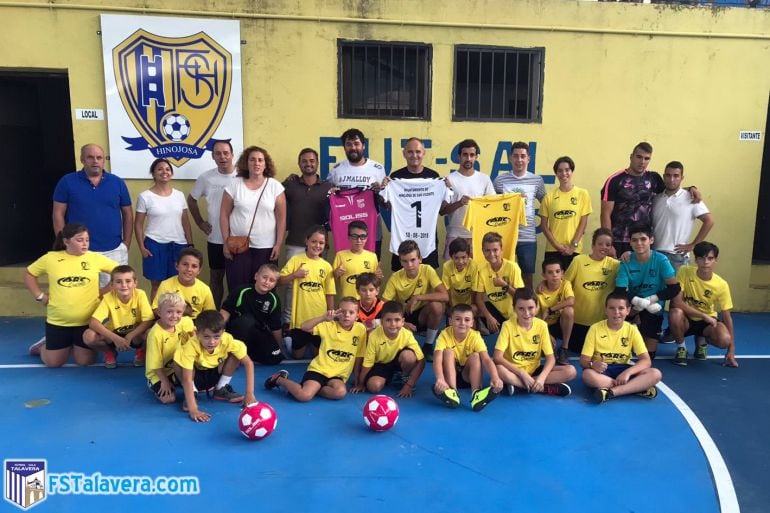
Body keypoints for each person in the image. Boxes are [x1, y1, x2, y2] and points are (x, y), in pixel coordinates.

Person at [24, 224, 117, 367]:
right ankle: (44, 345)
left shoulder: (95, 258)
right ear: (66, 241)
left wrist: (103, 292)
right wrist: (40, 296)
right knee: (54, 363)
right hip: (58, 322)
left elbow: (120, 272)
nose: (85, 243)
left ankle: (73, 345)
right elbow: (29, 274)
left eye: (87, 239)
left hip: (86, 322)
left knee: (85, 361)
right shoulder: (51, 258)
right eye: (80, 240)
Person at [600, 142, 700, 258]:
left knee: (643, 276)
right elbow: (605, 214)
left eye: (646, 158)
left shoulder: (654, 179)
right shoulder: (614, 180)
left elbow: (671, 189)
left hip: (644, 242)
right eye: (639, 157)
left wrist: (691, 189)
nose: (642, 162)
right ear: (631, 157)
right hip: (619, 241)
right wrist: (608, 243)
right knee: (619, 275)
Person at [52, 143, 132, 288]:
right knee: (83, 294)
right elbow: (58, 213)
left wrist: (125, 243)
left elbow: (127, 213)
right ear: (82, 159)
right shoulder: (67, 182)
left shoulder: (117, 183)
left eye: (99, 157)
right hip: (79, 252)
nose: (95, 161)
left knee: (115, 294)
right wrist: (64, 243)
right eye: (90, 157)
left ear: (103, 160)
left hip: (113, 250)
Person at [264, 297, 367, 402]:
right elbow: (304, 327)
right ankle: (279, 379)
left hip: (337, 376)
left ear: (357, 316)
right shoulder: (329, 326)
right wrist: (323, 318)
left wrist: (358, 381)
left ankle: (313, 388)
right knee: (304, 396)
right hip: (319, 370)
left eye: (351, 312)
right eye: (343, 311)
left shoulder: (360, 329)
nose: (347, 315)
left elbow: (359, 355)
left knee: (340, 393)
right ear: (337, 312)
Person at [220, 146, 287, 291]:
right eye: (252, 160)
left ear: (265, 164)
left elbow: (281, 218)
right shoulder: (234, 185)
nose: (256, 163)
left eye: (260, 160)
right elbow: (224, 215)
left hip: (266, 247)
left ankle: (262, 315)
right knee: (238, 287)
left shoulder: (275, 187)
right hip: (238, 246)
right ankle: (238, 314)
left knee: (264, 288)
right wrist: (225, 242)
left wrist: (278, 244)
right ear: (246, 163)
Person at [174, 310, 256, 422]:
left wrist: (249, 394)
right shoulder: (191, 346)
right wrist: (193, 410)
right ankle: (192, 393)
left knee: (236, 354)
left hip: (213, 375)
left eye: (217, 337)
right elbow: (187, 379)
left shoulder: (228, 340)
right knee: (178, 360)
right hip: (194, 379)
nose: (212, 342)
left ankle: (221, 388)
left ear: (223, 333)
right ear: (197, 333)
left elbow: (248, 363)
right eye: (206, 337)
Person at [580, 292, 662, 404]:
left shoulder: (632, 329)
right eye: (612, 308)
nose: (616, 312)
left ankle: (611, 392)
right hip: (603, 371)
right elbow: (584, 360)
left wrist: (627, 373)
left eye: (621, 308)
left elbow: (646, 360)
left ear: (628, 310)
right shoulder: (595, 328)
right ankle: (635, 388)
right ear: (606, 310)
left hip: (623, 369)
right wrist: (592, 364)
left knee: (655, 373)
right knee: (587, 375)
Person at [282, 148, 333, 325]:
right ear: (299, 163)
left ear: (317, 163)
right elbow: (272, 197)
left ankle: (319, 323)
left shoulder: (328, 187)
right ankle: (288, 322)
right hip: (295, 242)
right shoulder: (290, 185)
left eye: (312, 161)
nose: (308, 164)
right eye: (304, 161)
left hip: (319, 245)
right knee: (291, 285)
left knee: (318, 286)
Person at [494, 288, 576, 397]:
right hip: (514, 370)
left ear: (537, 307)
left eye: (530, 308)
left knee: (571, 371)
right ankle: (544, 389)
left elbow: (550, 358)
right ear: (514, 309)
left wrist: (541, 378)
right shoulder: (507, 325)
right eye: (521, 309)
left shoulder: (542, 325)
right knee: (499, 369)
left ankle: (520, 386)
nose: (527, 313)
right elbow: (497, 357)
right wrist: (521, 373)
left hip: (535, 370)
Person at [615, 224, 680, 360]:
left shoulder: (661, 260)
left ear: (651, 240)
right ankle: (631, 324)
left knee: (649, 355)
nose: (639, 243)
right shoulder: (626, 261)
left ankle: (638, 327)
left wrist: (649, 300)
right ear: (630, 243)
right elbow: (620, 291)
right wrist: (638, 304)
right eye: (634, 240)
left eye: (643, 239)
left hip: (653, 307)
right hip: (632, 306)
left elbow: (674, 288)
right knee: (615, 304)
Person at [668, 241, 738, 368]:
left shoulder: (721, 285)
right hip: (687, 319)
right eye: (702, 258)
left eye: (710, 258)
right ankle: (681, 348)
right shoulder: (684, 271)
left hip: (707, 322)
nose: (706, 262)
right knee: (675, 312)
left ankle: (702, 340)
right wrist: (703, 315)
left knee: (724, 340)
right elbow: (677, 302)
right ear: (696, 260)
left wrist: (731, 350)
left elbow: (727, 317)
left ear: (716, 261)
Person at [187, 140, 239, 308]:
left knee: (236, 281)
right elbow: (192, 200)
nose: (222, 157)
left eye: (226, 153)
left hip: (238, 238)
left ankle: (233, 316)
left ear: (232, 155)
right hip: (215, 238)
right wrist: (200, 222)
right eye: (218, 153)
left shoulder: (242, 176)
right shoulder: (206, 178)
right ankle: (213, 314)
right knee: (216, 278)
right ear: (213, 156)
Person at [135, 158, 193, 300]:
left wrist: (190, 244)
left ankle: (175, 316)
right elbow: (138, 224)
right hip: (154, 244)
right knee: (157, 285)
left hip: (178, 245)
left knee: (177, 283)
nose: (164, 172)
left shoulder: (179, 195)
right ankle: (155, 318)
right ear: (153, 174)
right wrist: (142, 247)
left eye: (167, 169)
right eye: (160, 169)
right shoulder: (145, 196)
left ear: (171, 173)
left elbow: (185, 221)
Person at [382, 240, 449, 359]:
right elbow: (383, 305)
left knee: (437, 306)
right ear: (400, 262)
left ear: (420, 259)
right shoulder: (395, 278)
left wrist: (417, 297)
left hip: (423, 315)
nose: (410, 265)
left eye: (413, 260)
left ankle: (428, 345)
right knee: (404, 356)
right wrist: (401, 323)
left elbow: (445, 296)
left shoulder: (427, 270)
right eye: (405, 261)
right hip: (404, 316)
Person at [384, 137, 444, 270]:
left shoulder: (434, 177)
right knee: (402, 278)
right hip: (403, 238)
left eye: (418, 151)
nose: (414, 155)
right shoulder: (395, 177)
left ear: (424, 153)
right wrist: (384, 188)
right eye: (410, 152)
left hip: (427, 238)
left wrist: (447, 187)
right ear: (404, 154)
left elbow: (441, 207)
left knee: (427, 276)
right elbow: (388, 205)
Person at [493, 141, 546, 289]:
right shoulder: (499, 181)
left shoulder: (537, 181)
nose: (519, 160)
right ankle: (506, 310)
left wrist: (544, 224)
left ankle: (527, 308)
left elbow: (545, 205)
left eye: (523, 156)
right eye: (516, 156)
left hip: (528, 237)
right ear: (510, 158)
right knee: (504, 275)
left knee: (527, 276)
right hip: (505, 237)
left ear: (529, 158)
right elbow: (492, 207)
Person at [433, 303, 503, 411]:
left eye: (466, 320)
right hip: (450, 377)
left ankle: (476, 394)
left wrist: (495, 377)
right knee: (448, 352)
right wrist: (440, 379)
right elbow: (437, 359)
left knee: (476, 356)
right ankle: (453, 392)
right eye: (457, 319)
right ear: (450, 321)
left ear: (472, 323)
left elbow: (487, 359)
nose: (462, 323)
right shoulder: (444, 334)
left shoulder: (475, 336)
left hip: (468, 377)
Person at [279, 226, 336, 359]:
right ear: (307, 241)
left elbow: (330, 293)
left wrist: (330, 315)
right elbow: (280, 281)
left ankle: (312, 344)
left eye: (321, 243)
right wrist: (294, 275)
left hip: (319, 319)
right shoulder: (296, 260)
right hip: (300, 320)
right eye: (314, 241)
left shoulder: (326, 266)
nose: (317, 245)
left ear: (325, 245)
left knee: (317, 356)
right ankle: (289, 340)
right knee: (298, 357)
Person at [82, 265, 154, 369]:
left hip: (135, 335)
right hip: (114, 333)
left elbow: (148, 320)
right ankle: (109, 352)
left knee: (152, 332)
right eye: (119, 282)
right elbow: (93, 322)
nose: (124, 285)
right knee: (88, 336)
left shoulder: (140, 295)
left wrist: (130, 335)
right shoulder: (108, 298)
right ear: (112, 284)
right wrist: (115, 338)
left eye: (128, 281)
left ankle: (141, 350)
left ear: (135, 283)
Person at [328, 128, 386, 255]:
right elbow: (328, 195)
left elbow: (385, 200)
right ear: (344, 147)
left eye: (356, 144)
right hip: (346, 229)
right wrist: (331, 192)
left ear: (363, 146)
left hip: (372, 227)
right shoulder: (336, 170)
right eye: (349, 144)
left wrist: (378, 192)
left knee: (372, 267)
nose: (353, 147)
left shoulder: (377, 168)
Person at [563, 228, 620, 355]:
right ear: (593, 244)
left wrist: (628, 255)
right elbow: (564, 283)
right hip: (578, 322)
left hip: (601, 324)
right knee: (577, 350)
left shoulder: (615, 265)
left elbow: (633, 267)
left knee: (599, 352)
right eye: (600, 244)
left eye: (608, 245)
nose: (604, 247)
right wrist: (545, 284)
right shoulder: (579, 261)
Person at [354, 301, 426, 398]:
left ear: (403, 321)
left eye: (397, 320)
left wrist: (409, 385)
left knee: (409, 357)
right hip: (380, 364)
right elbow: (368, 363)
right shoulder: (374, 336)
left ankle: (402, 376)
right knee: (373, 387)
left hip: (397, 361)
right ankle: (389, 377)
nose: (393, 324)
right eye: (388, 320)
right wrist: (360, 383)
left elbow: (421, 361)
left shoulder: (407, 335)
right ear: (382, 321)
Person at [652, 161, 714, 271]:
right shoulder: (656, 198)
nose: (671, 179)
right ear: (664, 176)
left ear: (682, 178)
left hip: (677, 256)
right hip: (654, 254)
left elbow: (709, 221)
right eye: (668, 175)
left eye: (676, 176)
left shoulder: (691, 198)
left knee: (676, 288)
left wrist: (694, 245)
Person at [440, 139, 495, 260]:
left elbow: (493, 206)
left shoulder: (484, 179)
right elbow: (442, 211)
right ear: (459, 156)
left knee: (478, 276)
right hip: (455, 235)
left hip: (478, 236)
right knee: (452, 276)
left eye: (472, 155)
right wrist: (460, 203)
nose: (468, 158)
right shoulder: (449, 179)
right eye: (465, 154)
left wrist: (517, 199)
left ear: (476, 157)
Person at [220, 263, 285, 365]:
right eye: (264, 277)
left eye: (272, 280)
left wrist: (279, 347)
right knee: (246, 321)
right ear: (256, 276)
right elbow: (225, 312)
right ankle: (234, 354)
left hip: (256, 332)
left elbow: (275, 327)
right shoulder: (241, 291)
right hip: (236, 332)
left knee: (275, 358)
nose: (267, 282)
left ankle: (247, 353)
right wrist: (218, 334)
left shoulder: (274, 300)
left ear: (275, 284)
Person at [539, 156, 592, 271]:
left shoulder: (582, 194)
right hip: (553, 250)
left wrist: (573, 246)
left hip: (574, 250)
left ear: (572, 171)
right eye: (560, 171)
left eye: (567, 170)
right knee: (553, 285)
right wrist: (557, 245)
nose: (564, 173)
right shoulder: (549, 197)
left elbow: (583, 223)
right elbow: (543, 225)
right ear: (556, 174)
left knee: (570, 284)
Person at [145, 292, 195, 404]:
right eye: (169, 312)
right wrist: (164, 382)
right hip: (159, 372)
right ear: (159, 312)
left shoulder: (183, 322)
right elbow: (156, 364)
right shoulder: (155, 334)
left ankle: (182, 383)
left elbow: (193, 333)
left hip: (176, 367)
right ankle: (152, 382)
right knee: (169, 399)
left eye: (178, 312)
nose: (174, 316)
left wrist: (193, 337)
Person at [473, 231, 524, 333]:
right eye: (487, 250)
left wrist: (504, 285)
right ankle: (475, 341)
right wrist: (489, 317)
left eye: (495, 250)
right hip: (496, 312)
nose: (491, 254)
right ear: (482, 251)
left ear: (501, 250)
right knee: (472, 309)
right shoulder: (482, 270)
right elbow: (479, 299)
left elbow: (521, 297)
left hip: (515, 313)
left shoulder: (512, 267)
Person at [151, 248, 215, 319]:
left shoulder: (205, 289)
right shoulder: (165, 285)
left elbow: (210, 315)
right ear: (176, 266)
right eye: (185, 264)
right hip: (170, 322)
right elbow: (155, 309)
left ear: (199, 270)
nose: (189, 269)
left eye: (194, 266)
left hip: (195, 324)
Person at [535, 256, 575, 366]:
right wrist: (546, 333)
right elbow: (537, 318)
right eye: (550, 272)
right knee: (547, 351)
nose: (555, 275)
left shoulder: (565, 284)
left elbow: (571, 300)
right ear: (544, 275)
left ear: (562, 273)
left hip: (560, 323)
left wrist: (550, 309)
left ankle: (564, 348)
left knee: (569, 311)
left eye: (557, 271)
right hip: (545, 325)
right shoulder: (539, 291)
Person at [332, 221, 381, 299]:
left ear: (366, 238)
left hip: (367, 301)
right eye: (355, 236)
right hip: (348, 301)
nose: (358, 240)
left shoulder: (372, 256)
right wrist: (336, 273)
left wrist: (379, 277)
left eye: (362, 236)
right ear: (349, 237)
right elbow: (332, 280)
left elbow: (376, 282)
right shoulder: (340, 255)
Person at [442, 238, 479, 313]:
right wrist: (451, 306)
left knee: (474, 309)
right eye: (456, 258)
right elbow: (447, 289)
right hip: (453, 303)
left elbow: (474, 289)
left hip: (468, 303)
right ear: (451, 256)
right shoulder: (446, 266)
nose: (460, 262)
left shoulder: (474, 266)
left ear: (468, 256)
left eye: (463, 257)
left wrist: (471, 305)